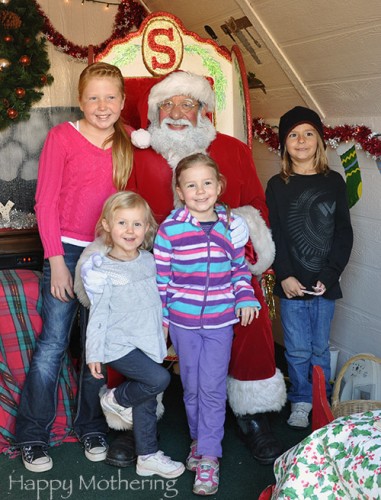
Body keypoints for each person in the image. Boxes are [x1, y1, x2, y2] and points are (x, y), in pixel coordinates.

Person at [81, 71, 287, 467]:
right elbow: (119, 207)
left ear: (202, 110)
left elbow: (255, 208)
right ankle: (131, 423)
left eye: (187, 104)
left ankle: (251, 414)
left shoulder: (233, 150)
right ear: (155, 112)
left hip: (219, 262)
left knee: (251, 311)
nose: (176, 113)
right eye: (167, 105)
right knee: (131, 314)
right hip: (149, 257)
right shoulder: (137, 153)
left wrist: (245, 235)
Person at [15, 62, 133, 472]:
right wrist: (56, 263)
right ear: (80, 101)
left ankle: (91, 425)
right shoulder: (62, 137)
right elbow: (44, 202)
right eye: (93, 97)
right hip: (64, 252)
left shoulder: (127, 143)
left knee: (97, 347)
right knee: (52, 346)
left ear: (122, 101)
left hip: (108, 255)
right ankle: (33, 434)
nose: (102, 106)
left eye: (110, 97)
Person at [154, 153, 260, 495]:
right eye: (191, 185)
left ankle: (209, 457)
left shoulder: (231, 227)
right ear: (180, 191)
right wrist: (164, 319)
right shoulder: (170, 230)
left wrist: (245, 297)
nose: (200, 191)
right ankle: (199, 440)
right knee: (192, 387)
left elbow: (239, 270)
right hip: (183, 323)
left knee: (212, 388)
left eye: (207, 183)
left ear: (219, 186)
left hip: (219, 322)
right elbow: (161, 280)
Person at [85, 191, 185, 479]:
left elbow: (159, 300)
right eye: (122, 223)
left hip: (147, 341)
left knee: (148, 399)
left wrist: (165, 333)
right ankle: (115, 399)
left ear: (147, 228)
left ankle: (147, 455)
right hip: (118, 345)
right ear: (106, 225)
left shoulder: (150, 261)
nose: (130, 231)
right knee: (159, 379)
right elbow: (99, 315)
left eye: (137, 224)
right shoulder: (103, 269)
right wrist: (94, 352)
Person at [265, 106, 353, 429]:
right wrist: (284, 275)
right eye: (293, 135)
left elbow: (344, 233)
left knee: (319, 347)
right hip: (292, 286)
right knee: (298, 349)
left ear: (319, 140)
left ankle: (321, 400)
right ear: (284, 144)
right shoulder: (277, 185)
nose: (301, 141)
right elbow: (273, 233)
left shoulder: (335, 183)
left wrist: (330, 275)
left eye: (308, 133)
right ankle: (301, 400)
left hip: (323, 285)